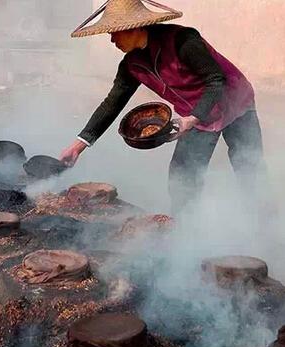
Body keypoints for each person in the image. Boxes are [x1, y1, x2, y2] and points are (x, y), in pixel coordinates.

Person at [59, 0, 264, 214]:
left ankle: (263, 223)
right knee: (183, 177)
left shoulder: (182, 41)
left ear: (134, 27)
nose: (111, 39)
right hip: (198, 114)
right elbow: (112, 103)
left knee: (249, 166)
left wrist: (192, 119)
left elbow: (215, 80)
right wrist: (78, 146)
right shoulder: (131, 65)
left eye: (114, 32)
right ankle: (187, 228)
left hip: (235, 100)